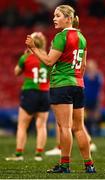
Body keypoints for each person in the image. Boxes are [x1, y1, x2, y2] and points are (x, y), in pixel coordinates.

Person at [26, 4, 96, 173]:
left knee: (64, 127)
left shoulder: (61, 37)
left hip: (62, 85)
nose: (54, 18)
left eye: (58, 15)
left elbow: (49, 61)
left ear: (68, 18)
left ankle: (65, 165)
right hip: (78, 85)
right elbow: (84, 65)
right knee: (79, 127)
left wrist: (34, 48)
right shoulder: (82, 37)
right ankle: (89, 165)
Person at [6, 32, 50, 161]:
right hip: (45, 93)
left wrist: (24, 57)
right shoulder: (48, 57)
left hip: (30, 92)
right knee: (41, 125)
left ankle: (19, 154)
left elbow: (16, 72)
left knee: (22, 125)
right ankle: (38, 154)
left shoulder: (26, 57)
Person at [84, 60, 104, 136]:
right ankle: (89, 131)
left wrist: (100, 99)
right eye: (89, 66)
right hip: (86, 98)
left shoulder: (98, 76)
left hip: (95, 98)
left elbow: (100, 88)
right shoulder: (85, 76)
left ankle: (96, 131)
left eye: (92, 66)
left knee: (95, 115)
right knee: (87, 116)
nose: (90, 68)